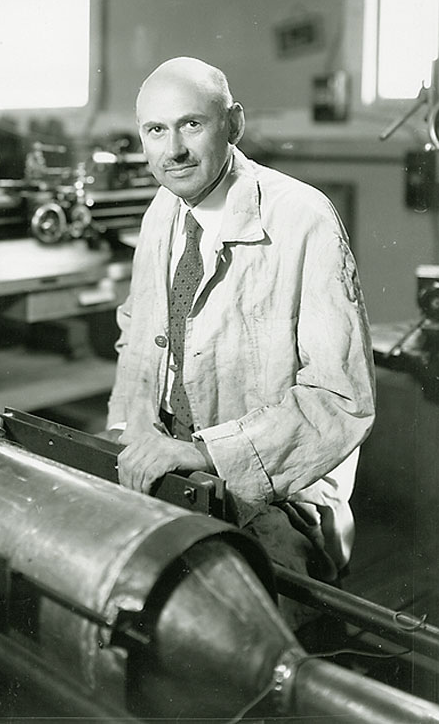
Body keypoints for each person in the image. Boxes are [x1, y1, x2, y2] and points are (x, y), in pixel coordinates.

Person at [106, 56, 375, 607]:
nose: (173, 149)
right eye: (156, 130)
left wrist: (206, 455)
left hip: (276, 495)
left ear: (234, 124)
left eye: (192, 125)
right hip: (169, 470)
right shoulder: (164, 209)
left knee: (227, 631)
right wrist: (122, 434)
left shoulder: (304, 218)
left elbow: (341, 401)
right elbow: (139, 335)